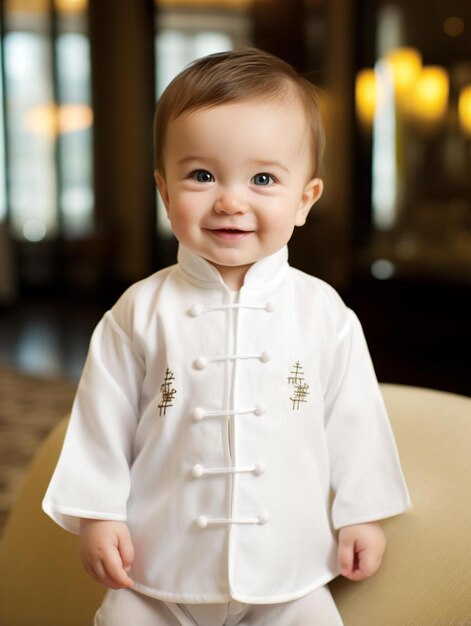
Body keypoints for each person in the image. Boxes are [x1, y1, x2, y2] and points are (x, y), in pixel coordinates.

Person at [43, 49, 411, 626]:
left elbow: (354, 419)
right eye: (202, 175)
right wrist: (97, 514)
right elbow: (101, 420)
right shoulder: (138, 310)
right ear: (165, 192)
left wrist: (362, 514)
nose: (230, 200)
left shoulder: (324, 313)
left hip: (289, 571)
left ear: (304, 200)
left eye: (263, 178)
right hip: (157, 569)